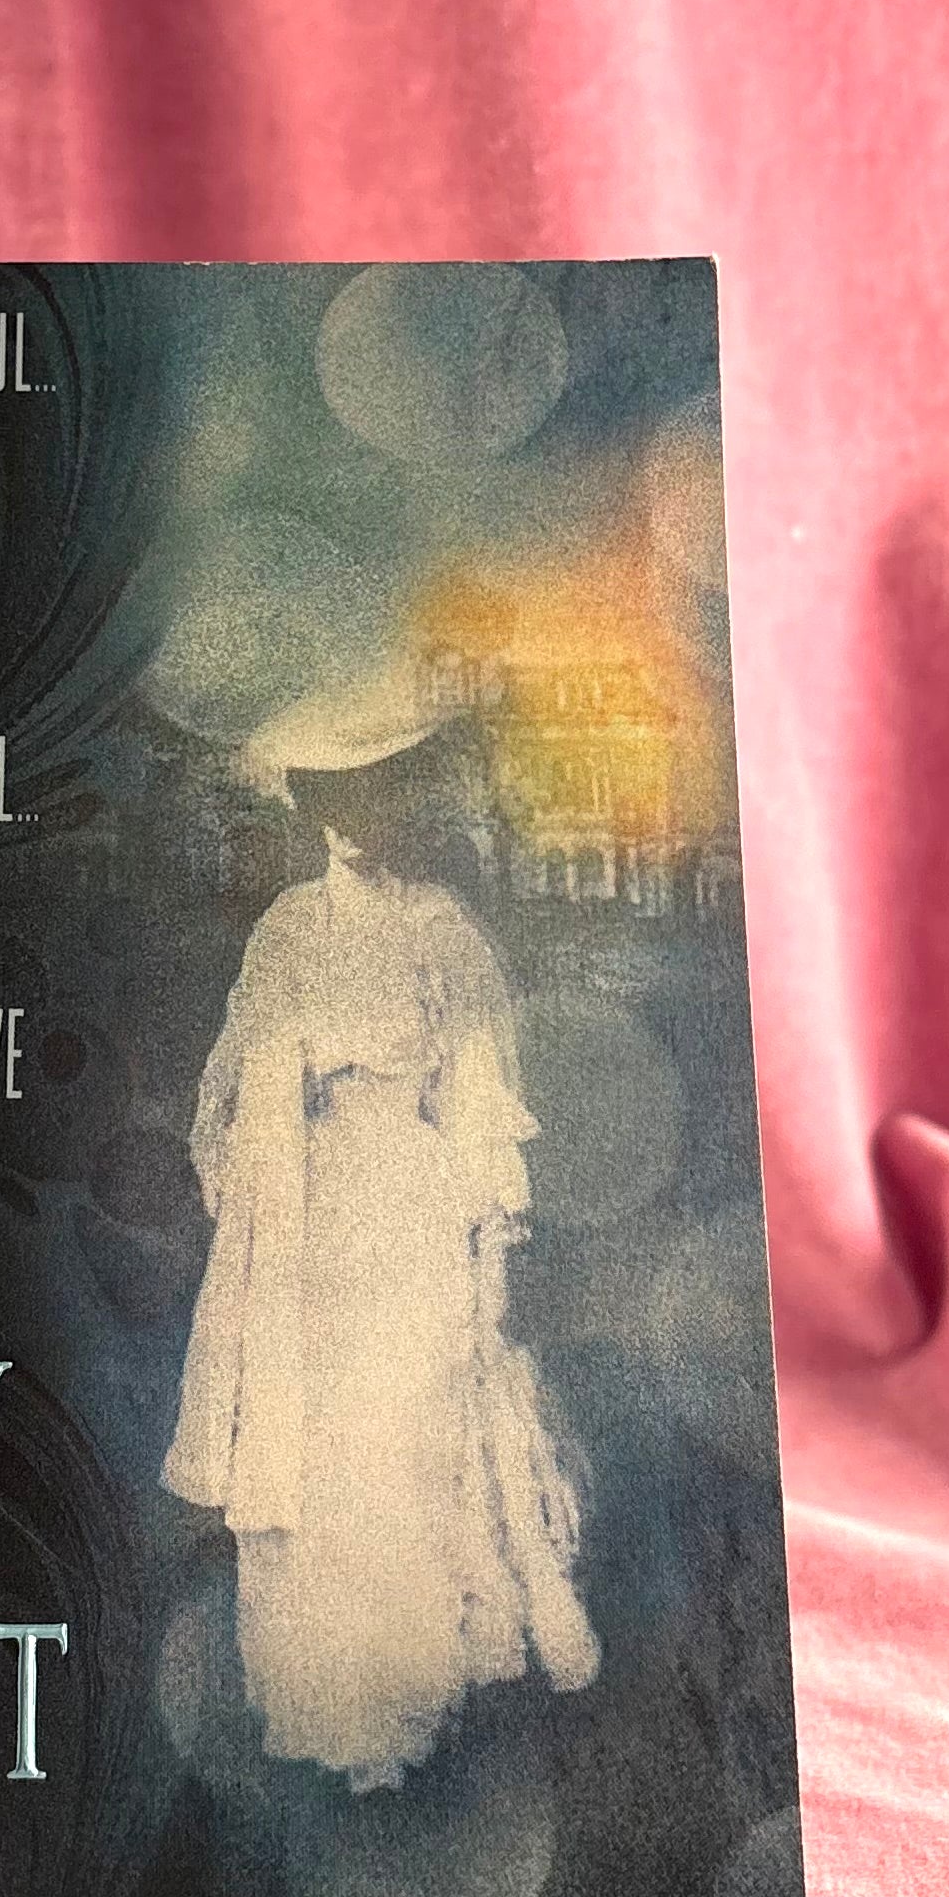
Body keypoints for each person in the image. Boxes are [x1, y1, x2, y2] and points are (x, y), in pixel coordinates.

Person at [163, 737, 599, 1789]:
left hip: (410, 1209)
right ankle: (332, 1701)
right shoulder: (287, 930)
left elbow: (477, 1103)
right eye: (330, 796)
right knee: (324, 1447)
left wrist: (482, 1239)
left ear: (393, 800)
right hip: (311, 1226)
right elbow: (229, 1099)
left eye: (366, 794)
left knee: (404, 1435)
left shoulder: (437, 929)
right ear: (309, 805)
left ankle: (416, 1692)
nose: (349, 820)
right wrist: (275, 1141)